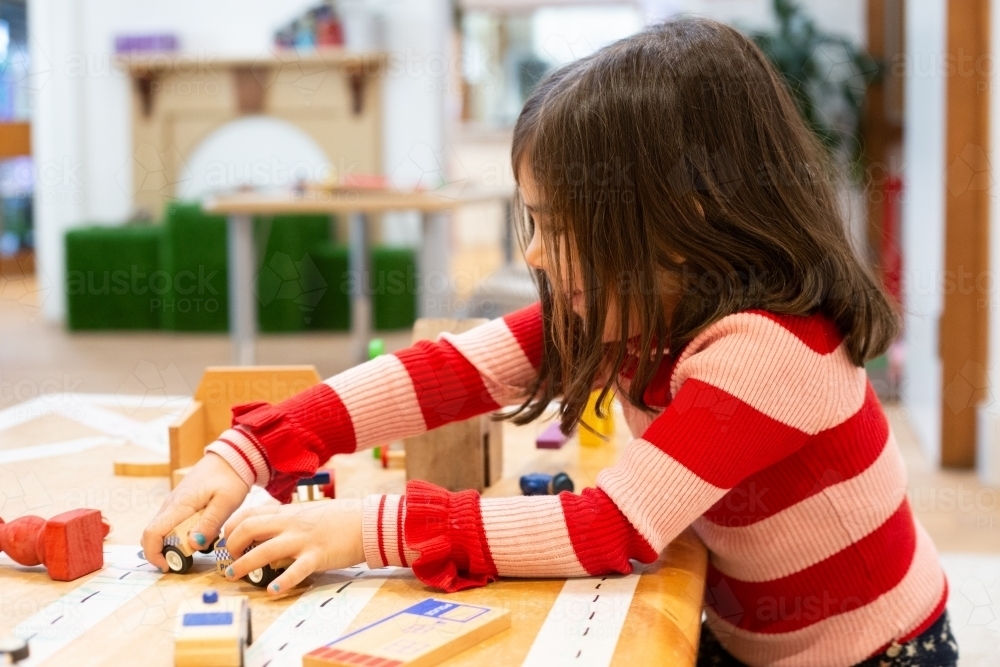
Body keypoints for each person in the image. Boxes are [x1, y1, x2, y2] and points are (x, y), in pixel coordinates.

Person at [142, 18, 957, 667]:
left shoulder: (770, 350)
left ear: (686, 221)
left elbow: (612, 526)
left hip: (876, 654)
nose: (533, 253)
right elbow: (450, 370)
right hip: (754, 632)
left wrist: (366, 529)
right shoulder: (636, 307)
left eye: (561, 227)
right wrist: (250, 448)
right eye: (533, 222)